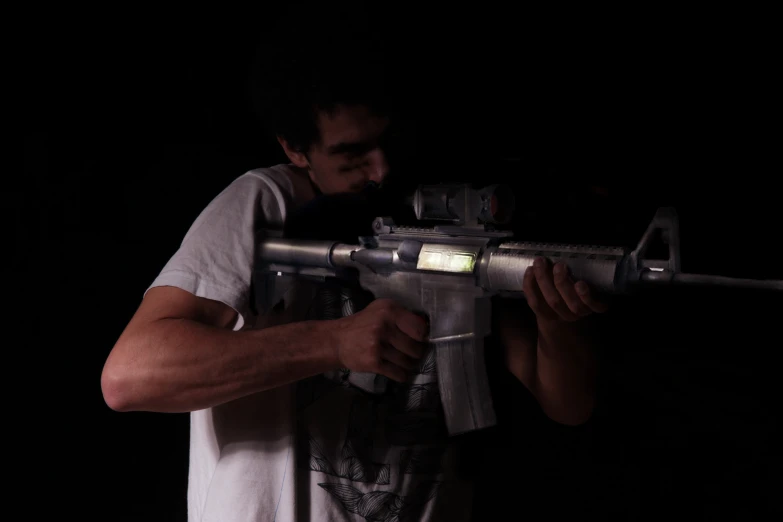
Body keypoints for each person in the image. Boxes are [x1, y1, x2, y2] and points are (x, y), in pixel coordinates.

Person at [100, 4, 608, 521]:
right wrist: (334, 342)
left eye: (389, 142)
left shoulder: (444, 211)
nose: (381, 171)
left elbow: (568, 404)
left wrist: (557, 321)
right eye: (352, 154)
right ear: (295, 148)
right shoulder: (267, 205)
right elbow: (132, 375)